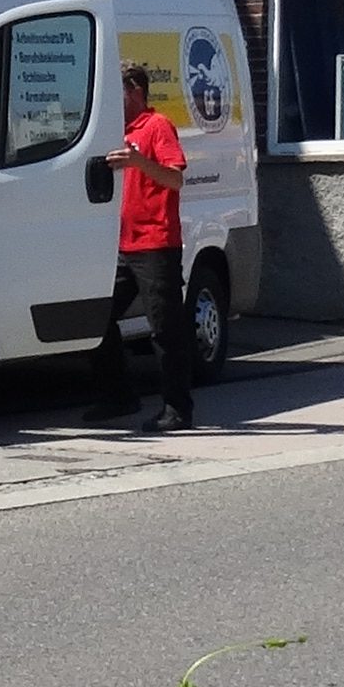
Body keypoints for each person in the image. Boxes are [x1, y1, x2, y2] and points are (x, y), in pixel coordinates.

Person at [102, 61, 195, 434]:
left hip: (156, 243)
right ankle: (119, 395)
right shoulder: (114, 130)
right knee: (98, 317)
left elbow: (175, 178)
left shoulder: (157, 126)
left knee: (164, 329)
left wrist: (139, 161)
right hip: (122, 244)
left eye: (118, 93)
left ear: (135, 91)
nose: (113, 101)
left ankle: (177, 409)